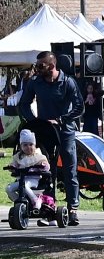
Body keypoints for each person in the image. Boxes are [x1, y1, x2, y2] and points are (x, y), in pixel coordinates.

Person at [16, 51, 83, 224]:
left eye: (40, 66)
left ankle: (73, 208)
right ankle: (49, 208)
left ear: (52, 66)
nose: (36, 69)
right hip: (45, 131)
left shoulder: (68, 82)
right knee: (46, 170)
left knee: (69, 169)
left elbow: (79, 107)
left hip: (65, 130)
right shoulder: (35, 82)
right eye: (36, 66)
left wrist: (61, 119)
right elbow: (23, 104)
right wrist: (34, 122)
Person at [6, 128, 51, 211]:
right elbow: (15, 165)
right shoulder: (19, 157)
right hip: (22, 179)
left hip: (33, 179)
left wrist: (43, 165)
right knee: (9, 188)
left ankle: (35, 200)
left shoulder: (38, 156)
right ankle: (19, 203)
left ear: (34, 145)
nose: (28, 147)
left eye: (31, 144)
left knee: (24, 186)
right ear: (21, 146)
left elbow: (47, 167)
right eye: (25, 145)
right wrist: (12, 167)